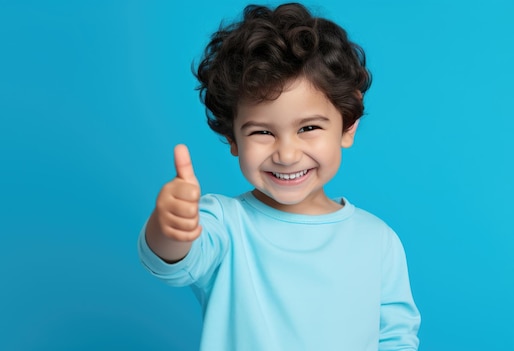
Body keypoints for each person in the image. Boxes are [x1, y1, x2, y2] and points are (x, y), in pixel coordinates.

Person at [138, 3, 421, 350]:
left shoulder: (379, 241)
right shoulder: (223, 225)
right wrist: (169, 227)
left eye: (309, 127)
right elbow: (171, 261)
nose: (286, 155)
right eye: (262, 132)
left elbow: (396, 337)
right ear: (233, 139)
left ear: (348, 125)